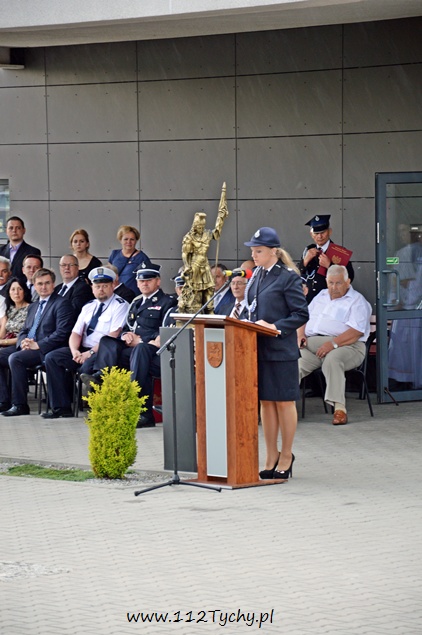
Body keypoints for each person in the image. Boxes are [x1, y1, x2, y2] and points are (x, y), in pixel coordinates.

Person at [244, 227, 309, 480]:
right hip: (258, 348)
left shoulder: (287, 277)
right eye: (253, 250)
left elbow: (300, 314)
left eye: (258, 251)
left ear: (273, 251)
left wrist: (275, 327)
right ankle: (271, 454)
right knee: (266, 402)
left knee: (283, 402)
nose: (254, 255)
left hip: (281, 350)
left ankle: (287, 454)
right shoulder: (256, 276)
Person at [81, 263, 177, 427]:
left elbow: (165, 331)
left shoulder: (167, 302)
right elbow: (128, 326)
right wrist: (126, 335)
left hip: (153, 351)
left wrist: (140, 340)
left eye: (149, 280)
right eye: (141, 281)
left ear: (158, 281)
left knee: (140, 353)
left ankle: (142, 413)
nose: (144, 284)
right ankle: (101, 376)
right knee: (107, 341)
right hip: (133, 348)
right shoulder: (137, 302)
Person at [43, 267, 129, 418]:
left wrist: (89, 353)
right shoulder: (88, 306)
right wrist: (75, 351)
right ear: (92, 288)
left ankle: (97, 407)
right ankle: (61, 408)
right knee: (52, 358)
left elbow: (113, 335)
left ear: (112, 286)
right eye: (97, 286)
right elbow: (76, 332)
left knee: (86, 368)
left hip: (102, 352)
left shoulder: (120, 305)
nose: (101, 289)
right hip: (82, 350)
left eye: (105, 286)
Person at [297, 264, 372, 425]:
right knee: (293, 364)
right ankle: (279, 404)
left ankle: (340, 409)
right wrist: (300, 335)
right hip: (314, 347)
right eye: (330, 283)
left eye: (338, 283)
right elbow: (303, 317)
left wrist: (332, 344)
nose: (333, 287)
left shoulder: (357, 301)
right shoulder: (321, 296)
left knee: (333, 359)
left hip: (348, 346)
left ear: (348, 282)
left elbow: (356, 332)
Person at [0, 268, 74, 416]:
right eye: (40, 284)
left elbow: (62, 332)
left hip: (48, 348)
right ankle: (3, 401)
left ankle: (20, 405)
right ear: (34, 285)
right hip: (29, 346)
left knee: (15, 358)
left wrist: (38, 345)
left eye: (47, 283)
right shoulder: (34, 306)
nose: (43, 287)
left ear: (53, 284)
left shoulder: (62, 303)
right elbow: (24, 330)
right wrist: (23, 342)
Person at [299, 215, 354, 304]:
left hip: (330, 301)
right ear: (311, 234)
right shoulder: (308, 250)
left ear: (329, 232)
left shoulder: (339, 251)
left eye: (323, 232)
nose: (320, 236)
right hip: (310, 301)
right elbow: (297, 274)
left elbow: (350, 277)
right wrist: (305, 261)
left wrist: (330, 266)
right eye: (316, 233)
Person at [108, 225, 151, 296]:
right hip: (115, 295)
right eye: (126, 239)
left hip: (132, 296)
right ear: (120, 240)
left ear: (136, 241)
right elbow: (108, 274)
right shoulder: (114, 254)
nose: (129, 242)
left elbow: (148, 279)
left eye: (132, 239)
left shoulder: (142, 257)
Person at [0, 277, 31, 347]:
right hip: (5, 344)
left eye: (20, 289)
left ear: (24, 291)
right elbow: (3, 333)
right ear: (9, 292)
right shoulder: (9, 309)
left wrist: (4, 342)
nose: (16, 293)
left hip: (20, 345)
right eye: (13, 289)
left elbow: (28, 335)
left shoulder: (31, 309)